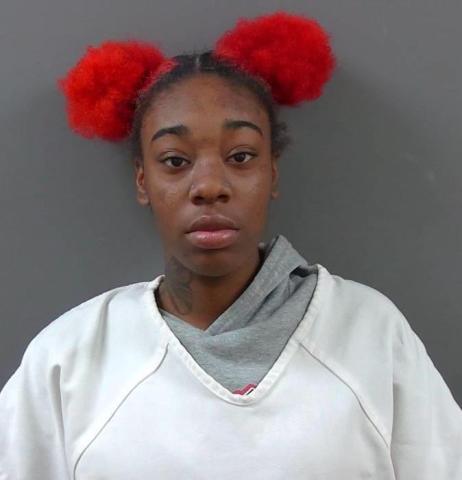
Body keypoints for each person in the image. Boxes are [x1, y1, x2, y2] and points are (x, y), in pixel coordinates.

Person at [0, 10, 461, 480]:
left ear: (272, 172)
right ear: (142, 180)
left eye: (240, 156)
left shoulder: (369, 333)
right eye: (175, 161)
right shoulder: (70, 356)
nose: (209, 186)